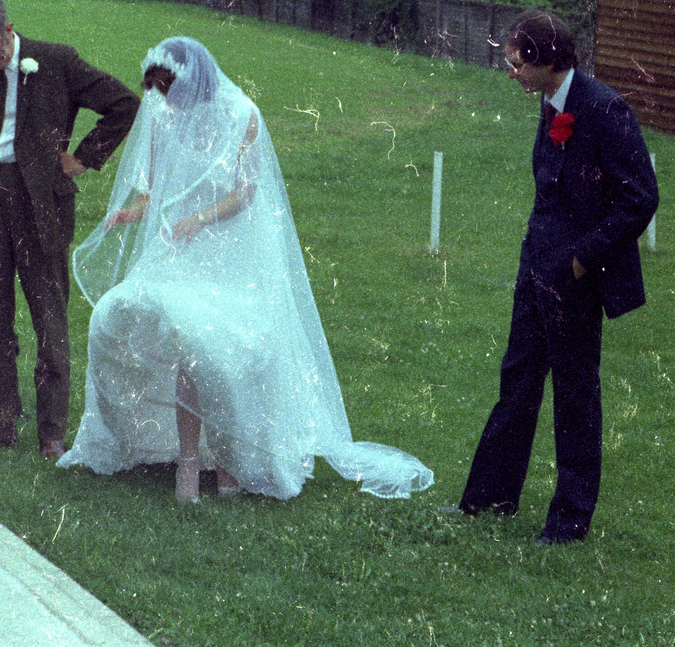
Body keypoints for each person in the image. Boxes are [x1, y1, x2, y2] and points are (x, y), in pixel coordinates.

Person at [59, 37, 434, 502]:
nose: (164, 101)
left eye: (170, 90)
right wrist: (131, 212)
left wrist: (199, 218)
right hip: (179, 254)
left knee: (215, 349)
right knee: (149, 329)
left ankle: (226, 460)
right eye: (157, 92)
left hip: (230, 251)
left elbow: (246, 192)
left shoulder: (242, 115)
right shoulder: (161, 115)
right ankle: (187, 459)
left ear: (194, 82)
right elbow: (151, 188)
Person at [454, 10, 658, 544]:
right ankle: (489, 498)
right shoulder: (549, 102)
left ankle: (569, 521)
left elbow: (641, 198)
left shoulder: (606, 109)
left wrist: (583, 259)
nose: (512, 73)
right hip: (537, 268)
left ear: (547, 61)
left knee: (574, 396)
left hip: (577, 276)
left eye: (517, 63)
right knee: (517, 381)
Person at [0, 0, 138, 461]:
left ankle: (51, 433)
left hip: (40, 203)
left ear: (9, 28)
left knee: (49, 317)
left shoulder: (55, 61)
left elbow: (124, 104)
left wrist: (83, 158)